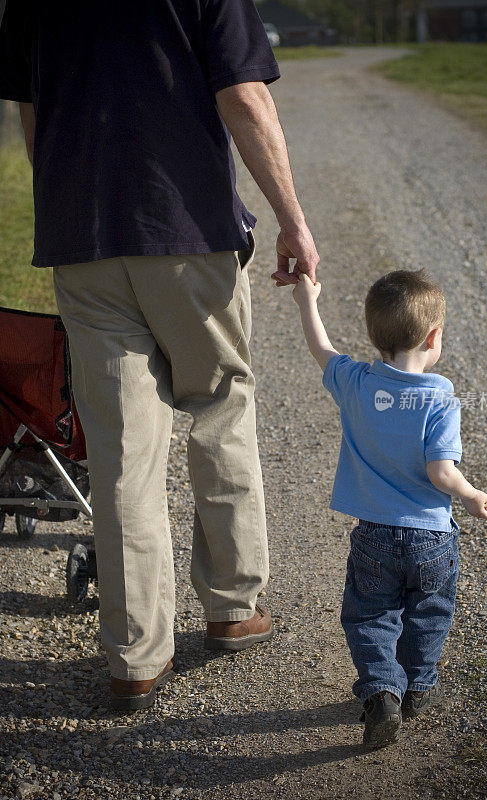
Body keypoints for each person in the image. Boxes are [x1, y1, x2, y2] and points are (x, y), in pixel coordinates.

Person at [0, 0, 319, 712]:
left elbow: (31, 114)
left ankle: (136, 658)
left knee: (120, 453)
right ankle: (235, 608)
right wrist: (294, 221)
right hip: (189, 233)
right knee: (219, 406)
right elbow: (243, 96)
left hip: (81, 239)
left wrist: (71, 199)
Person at [292, 268, 487, 750]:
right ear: (434, 336)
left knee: (369, 617)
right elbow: (441, 472)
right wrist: (469, 494)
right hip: (432, 538)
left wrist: (307, 299)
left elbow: (321, 349)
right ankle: (419, 686)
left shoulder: (357, 382)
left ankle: (383, 691)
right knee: (429, 614)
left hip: (375, 537)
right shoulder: (441, 397)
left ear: (373, 335)